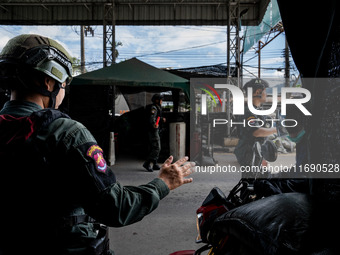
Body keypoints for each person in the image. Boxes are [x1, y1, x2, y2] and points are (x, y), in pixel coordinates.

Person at [0, 34, 194, 255]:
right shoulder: (66, 133)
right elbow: (116, 207)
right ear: (48, 81)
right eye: (63, 83)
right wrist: (163, 183)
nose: (64, 90)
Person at [234, 78, 277, 176]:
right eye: (265, 91)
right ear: (258, 92)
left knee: (260, 179)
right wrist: (276, 129)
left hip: (257, 151)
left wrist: (264, 156)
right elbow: (257, 131)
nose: (266, 94)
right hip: (249, 152)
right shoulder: (247, 110)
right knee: (250, 182)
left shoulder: (257, 110)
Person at [143, 93, 166, 172]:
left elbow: (157, 117)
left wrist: (162, 119)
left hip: (156, 130)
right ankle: (147, 163)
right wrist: (154, 125)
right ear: (157, 100)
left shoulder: (157, 107)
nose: (162, 101)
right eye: (161, 99)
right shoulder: (154, 108)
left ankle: (155, 164)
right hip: (153, 130)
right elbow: (152, 118)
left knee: (155, 146)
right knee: (157, 147)